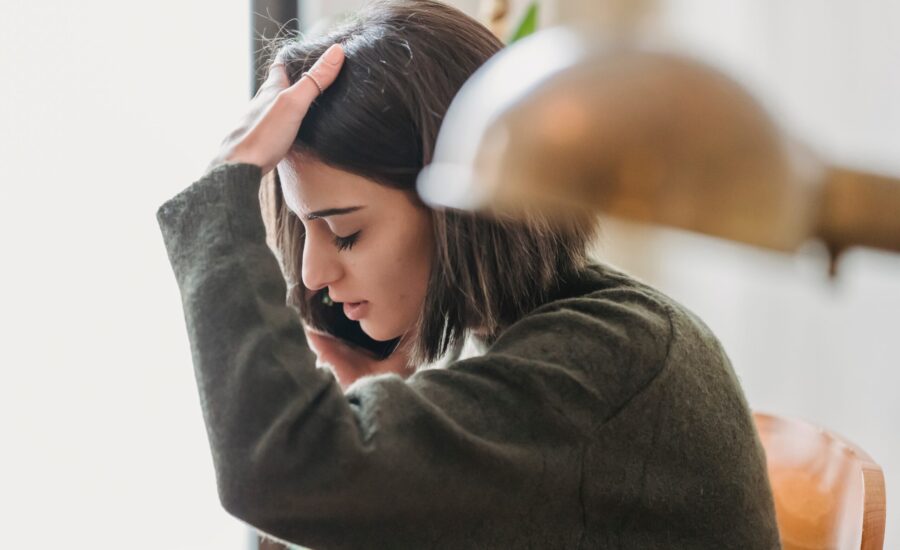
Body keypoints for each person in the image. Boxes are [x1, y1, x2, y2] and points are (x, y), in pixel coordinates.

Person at [156, 1, 780, 548]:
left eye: (346, 232)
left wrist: (221, 191)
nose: (313, 273)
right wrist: (395, 432)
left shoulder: (609, 363)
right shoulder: (559, 334)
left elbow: (279, 468)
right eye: (308, 229)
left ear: (455, 209)